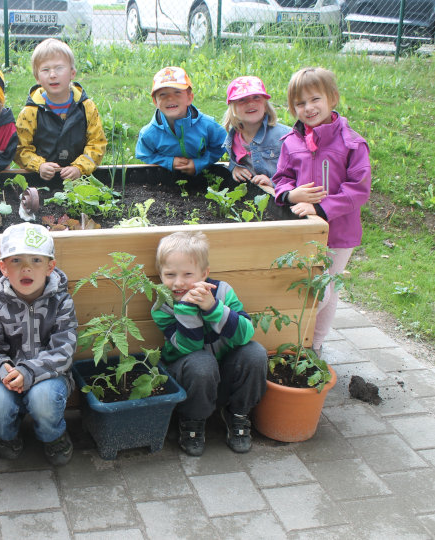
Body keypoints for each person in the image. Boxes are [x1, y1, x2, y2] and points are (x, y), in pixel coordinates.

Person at [272, 67, 371, 354]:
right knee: (315, 282)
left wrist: (321, 207)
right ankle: (302, 339)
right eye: (300, 103)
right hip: (304, 229)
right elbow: (281, 178)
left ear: (333, 99)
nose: (308, 108)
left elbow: (358, 189)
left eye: (315, 99)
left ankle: (312, 343)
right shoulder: (291, 142)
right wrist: (291, 194)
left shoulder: (352, 143)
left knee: (326, 286)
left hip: (340, 233)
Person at [151, 231, 267, 456]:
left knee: (255, 353)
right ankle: (192, 420)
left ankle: (238, 414)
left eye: (188, 274)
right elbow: (189, 347)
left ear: (204, 274)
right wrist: (185, 309)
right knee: (201, 363)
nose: (178, 282)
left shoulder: (222, 292)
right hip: (189, 376)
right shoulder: (163, 306)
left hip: (225, 374)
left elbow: (245, 334)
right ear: (160, 274)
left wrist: (213, 308)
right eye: (170, 274)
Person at [0, 223, 78, 466]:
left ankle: (52, 435)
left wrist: (30, 372)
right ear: (3, 267)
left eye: (36, 260)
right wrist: (5, 370)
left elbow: (63, 351)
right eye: (16, 261)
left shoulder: (61, 302)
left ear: (50, 266)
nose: (26, 268)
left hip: (50, 377)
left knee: (44, 398)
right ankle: (7, 435)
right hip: (8, 379)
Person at [15, 38, 107, 181]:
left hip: (80, 180)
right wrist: (39, 166)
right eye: (45, 70)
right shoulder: (30, 112)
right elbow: (20, 148)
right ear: (37, 77)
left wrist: (79, 167)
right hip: (41, 180)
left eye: (59, 68)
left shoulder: (86, 107)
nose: (52, 75)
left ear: (72, 73)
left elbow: (97, 143)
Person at [135, 66, 226, 177]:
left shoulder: (208, 125)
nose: (170, 98)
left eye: (177, 92)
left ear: (189, 98)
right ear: (155, 102)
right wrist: (169, 162)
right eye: (163, 94)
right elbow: (144, 155)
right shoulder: (148, 133)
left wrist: (199, 163)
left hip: (204, 176)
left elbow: (221, 146)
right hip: (167, 179)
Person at [222, 75, 290, 188]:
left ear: (265, 104)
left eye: (256, 97)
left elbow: (298, 171)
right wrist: (235, 168)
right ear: (233, 109)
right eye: (242, 100)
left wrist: (272, 182)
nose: (250, 103)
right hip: (255, 194)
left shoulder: (284, 136)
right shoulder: (234, 137)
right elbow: (235, 159)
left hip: (281, 195)